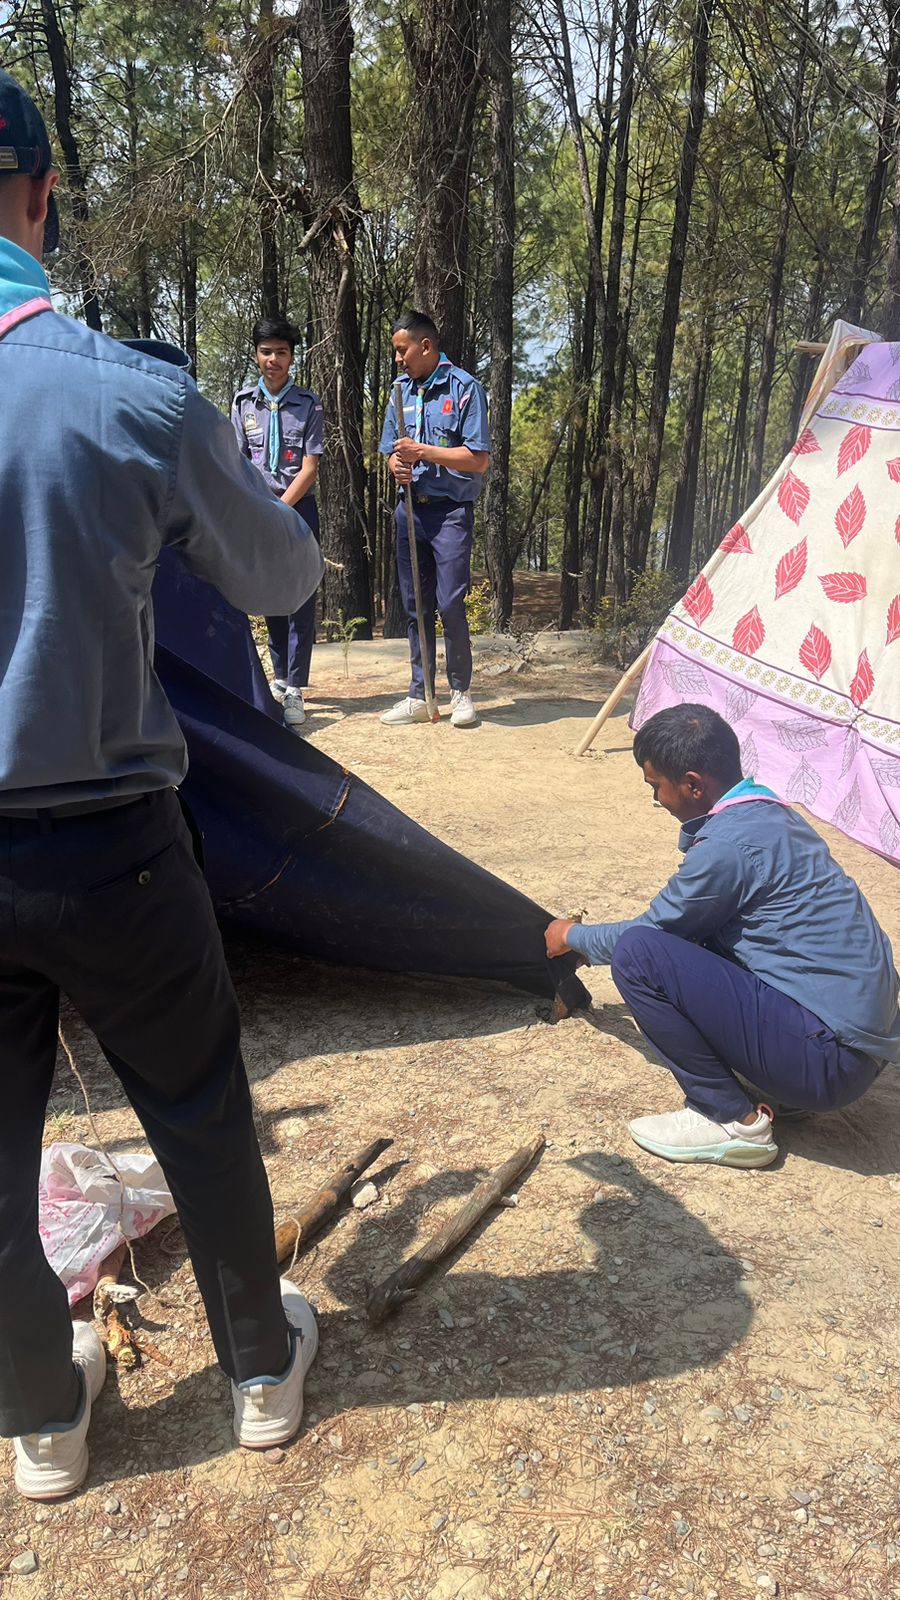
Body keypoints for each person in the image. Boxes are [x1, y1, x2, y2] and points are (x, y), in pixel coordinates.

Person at [0, 71, 325, 1501]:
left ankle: (42, 1423)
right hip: (110, 845)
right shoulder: (125, 391)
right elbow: (280, 574)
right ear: (42, 196)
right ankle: (260, 1371)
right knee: (197, 1107)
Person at [545, 704, 900, 1169]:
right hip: (858, 1051)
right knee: (700, 939)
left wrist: (574, 936)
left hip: (828, 1063)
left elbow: (651, 932)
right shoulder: (771, 815)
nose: (658, 801)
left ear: (693, 784)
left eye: (657, 787)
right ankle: (782, 1082)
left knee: (639, 953)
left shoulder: (728, 848)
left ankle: (728, 1119)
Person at [379, 310, 490, 728]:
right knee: (415, 605)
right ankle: (420, 694)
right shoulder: (398, 392)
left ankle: (460, 691)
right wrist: (396, 464)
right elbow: (391, 449)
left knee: (449, 602)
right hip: (410, 510)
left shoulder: (464, 389)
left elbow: (478, 459)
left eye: (402, 350)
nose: (397, 359)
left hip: (449, 514)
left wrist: (423, 452)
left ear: (425, 346)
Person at [231, 318, 324, 729]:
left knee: (301, 597)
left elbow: (309, 467)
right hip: (258, 508)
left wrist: (281, 508)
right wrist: (254, 509)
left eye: (281, 352)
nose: (273, 360)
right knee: (272, 597)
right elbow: (236, 462)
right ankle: (281, 680)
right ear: (256, 354)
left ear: (292, 357)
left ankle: (298, 689)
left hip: (297, 509)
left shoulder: (309, 404)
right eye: (267, 351)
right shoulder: (241, 404)